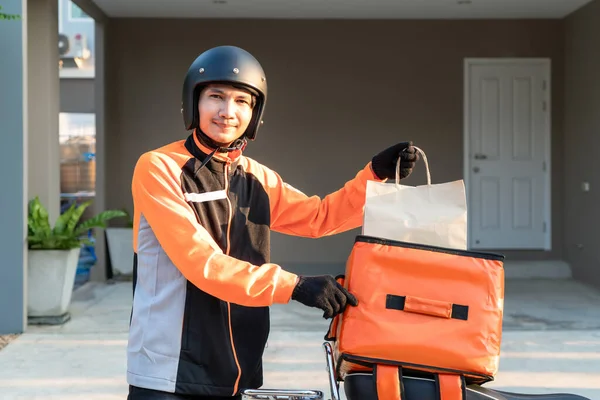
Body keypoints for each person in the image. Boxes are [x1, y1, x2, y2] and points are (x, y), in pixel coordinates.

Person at [127, 45, 419, 400]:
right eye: (215, 97)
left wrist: (375, 175)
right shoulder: (158, 167)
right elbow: (200, 262)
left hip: (236, 368)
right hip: (168, 368)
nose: (227, 111)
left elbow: (319, 217)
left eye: (242, 101)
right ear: (193, 102)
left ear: (255, 113)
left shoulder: (255, 177)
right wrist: (293, 285)